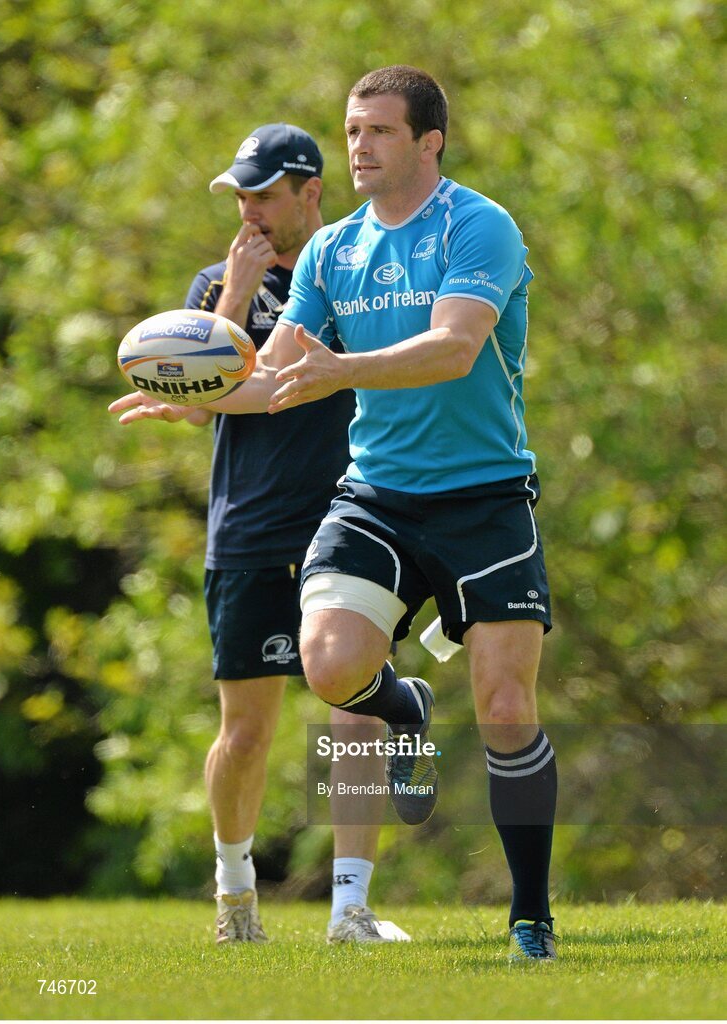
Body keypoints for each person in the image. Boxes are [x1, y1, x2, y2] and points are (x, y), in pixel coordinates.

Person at [112, 67, 558, 962]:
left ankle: (530, 917)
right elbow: (275, 377)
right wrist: (197, 394)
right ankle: (405, 709)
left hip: (484, 493)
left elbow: (454, 347)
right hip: (378, 495)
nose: (360, 146)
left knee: (508, 707)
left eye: (380, 132)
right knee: (328, 667)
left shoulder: (478, 226)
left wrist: (342, 371)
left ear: (429, 141)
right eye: (353, 131)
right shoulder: (332, 253)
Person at [114, 123, 409, 945]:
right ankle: (235, 896)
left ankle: (350, 907)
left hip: (350, 524)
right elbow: (203, 388)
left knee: (356, 714)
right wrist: (234, 295)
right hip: (246, 532)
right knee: (245, 734)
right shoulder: (214, 284)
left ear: (310, 192)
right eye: (239, 195)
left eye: (263, 195)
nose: (248, 210)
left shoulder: (359, 275)